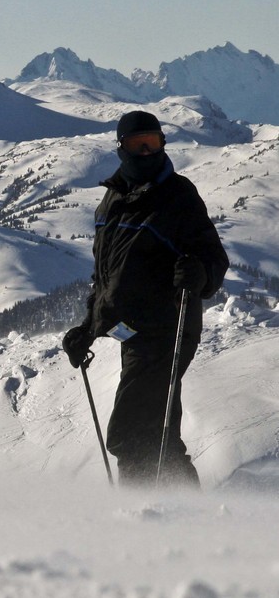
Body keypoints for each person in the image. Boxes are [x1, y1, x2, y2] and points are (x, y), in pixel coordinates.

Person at [62, 110, 228, 488]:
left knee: (129, 432)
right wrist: (88, 328)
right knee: (157, 434)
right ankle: (188, 518)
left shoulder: (177, 196)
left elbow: (214, 258)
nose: (147, 152)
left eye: (153, 143)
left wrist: (199, 273)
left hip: (169, 327)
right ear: (121, 149)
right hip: (134, 333)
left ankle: (143, 516)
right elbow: (108, 278)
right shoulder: (112, 201)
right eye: (138, 145)